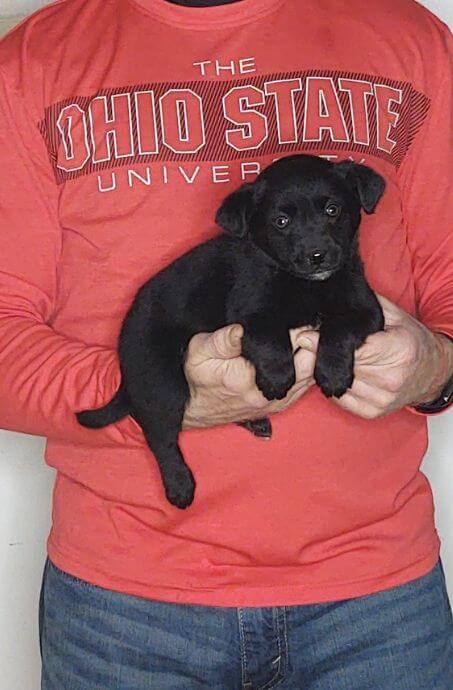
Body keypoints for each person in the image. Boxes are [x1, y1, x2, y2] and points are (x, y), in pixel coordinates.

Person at [0, 0, 452, 687]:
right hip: (122, 610)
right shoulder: (32, 62)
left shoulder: (407, 38)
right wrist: (162, 395)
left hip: (377, 599)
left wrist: (436, 366)